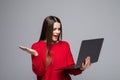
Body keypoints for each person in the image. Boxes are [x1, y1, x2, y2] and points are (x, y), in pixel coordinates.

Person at [19, 16, 91, 80]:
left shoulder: (65, 45)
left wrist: (82, 67)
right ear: (46, 30)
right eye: (54, 29)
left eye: (59, 29)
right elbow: (39, 72)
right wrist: (36, 54)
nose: (57, 32)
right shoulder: (36, 46)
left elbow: (71, 70)